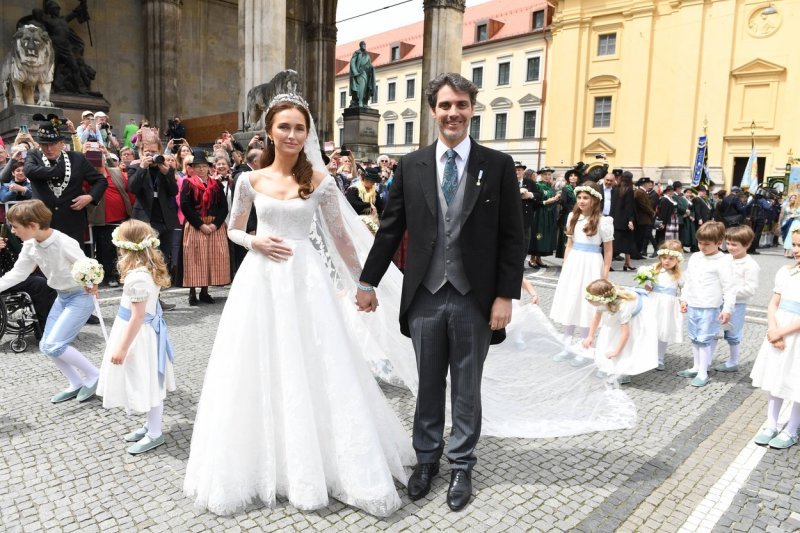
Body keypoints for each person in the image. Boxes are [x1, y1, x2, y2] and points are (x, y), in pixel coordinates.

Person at [184, 93, 417, 517]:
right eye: (285, 127)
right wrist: (255, 239)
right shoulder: (248, 181)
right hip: (260, 279)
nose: (292, 134)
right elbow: (233, 230)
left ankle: (322, 460)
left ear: (307, 134)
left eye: (300, 128)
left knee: (316, 359)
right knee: (257, 361)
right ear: (270, 132)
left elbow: (342, 238)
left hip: (306, 277)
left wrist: (365, 283)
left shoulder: (322, 181)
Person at [356, 73, 524, 512]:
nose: (453, 113)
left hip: (475, 298)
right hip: (426, 295)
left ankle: (462, 464)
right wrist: (367, 280)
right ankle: (426, 459)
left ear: (472, 109)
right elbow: (391, 229)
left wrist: (505, 296)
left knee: (467, 387)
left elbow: (512, 237)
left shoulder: (498, 165)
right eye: (445, 106)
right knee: (428, 383)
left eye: (461, 105)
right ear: (433, 111)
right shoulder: (411, 166)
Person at [0, 200, 99, 403]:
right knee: (47, 345)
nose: (12, 231)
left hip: (80, 297)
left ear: (33, 225)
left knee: (55, 345)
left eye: (15, 226)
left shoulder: (63, 242)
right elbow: (18, 273)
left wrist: (94, 281)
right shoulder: (30, 245)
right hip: (61, 297)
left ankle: (95, 375)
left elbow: (87, 265)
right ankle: (76, 383)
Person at [96, 220, 175, 455]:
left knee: (146, 381)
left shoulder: (137, 277)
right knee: (149, 379)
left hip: (138, 335)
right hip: (144, 332)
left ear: (124, 247)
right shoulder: (144, 270)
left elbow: (138, 316)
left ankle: (155, 433)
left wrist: (121, 348)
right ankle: (151, 425)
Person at [549, 183, 613, 360]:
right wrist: (566, 266)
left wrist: (604, 275)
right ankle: (567, 344)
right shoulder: (573, 217)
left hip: (592, 263)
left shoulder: (603, 221)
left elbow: (608, 251)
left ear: (594, 200)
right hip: (575, 262)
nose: (582, 201)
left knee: (587, 303)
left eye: (586, 198)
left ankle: (586, 345)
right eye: (579, 198)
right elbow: (569, 244)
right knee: (571, 299)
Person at [749, 228, 800, 449]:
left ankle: (792, 428)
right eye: (796, 245)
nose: (797, 250)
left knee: (795, 379)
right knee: (775, 375)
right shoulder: (785, 271)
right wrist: (773, 329)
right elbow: (773, 303)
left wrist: (782, 332)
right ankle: (771, 422)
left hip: (794, 334)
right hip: (777, 329)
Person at [23, 117, 108, 246]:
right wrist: (58, 172)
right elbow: (29, 171)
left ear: (62, 143)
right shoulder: (34, 155)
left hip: (72, 222)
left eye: (52, 144)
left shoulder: (77, 158)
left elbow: (100, 181)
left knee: (73, 262)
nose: (48, 149)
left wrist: (90, 197)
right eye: (44, 144)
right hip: (42, 223)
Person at [677, 221, 736, 387]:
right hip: (693, 304)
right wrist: (684, 298)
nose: (702, 247)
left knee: (704, 339)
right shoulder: (695, 257)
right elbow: (688, 281)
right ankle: (696, 367)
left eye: (707, 244)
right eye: (700, 243)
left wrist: (727, 309)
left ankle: (703, 372)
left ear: (719, 243)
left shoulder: (724, 260)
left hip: (709, 306)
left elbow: (729, 288)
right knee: (694, 338)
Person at [127, 130, 179, 311]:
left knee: (161, 260)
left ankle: (157, 298)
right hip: (145, 220)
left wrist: (166, 173)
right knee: (144, 261)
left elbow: (173, 192)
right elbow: (132, 188)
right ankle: (144, 298)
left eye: (154, 152)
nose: (151, 155)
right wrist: (142, 166)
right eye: (147, 152)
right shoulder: (135, 167)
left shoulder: (166, 168)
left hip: (165, 220)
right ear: (142, 151)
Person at [179, 149, 230, 306]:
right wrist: (200, 225)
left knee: (211, 258)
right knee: (194, 258)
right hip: (196, 225)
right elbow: (185, 206)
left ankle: (205, 292)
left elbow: (224, 207)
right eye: (198, 166)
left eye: (204, 166)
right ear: (192, 169)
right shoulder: (188, 184)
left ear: (209, 167)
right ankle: (192, 293)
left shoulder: (216, 185)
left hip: (214, 225)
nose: (201, 169)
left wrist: (215, 224)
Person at [583, 279, 658, 384]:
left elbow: (625, 334)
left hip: (637, 313)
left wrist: (616, 352)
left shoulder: (623, 306)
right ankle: (609, 366)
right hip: (615, 307)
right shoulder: (603, 302)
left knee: (628, 342)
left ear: (601, 300)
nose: (587, 301)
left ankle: (623, 371)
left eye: (589, 299)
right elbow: (596, 318)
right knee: (610, 333)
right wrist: (590, 336)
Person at [712, 225, 760, 372]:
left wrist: (730, 293)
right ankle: (706, 360)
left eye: (735, 244)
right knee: (713, 331)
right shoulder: (725, 259)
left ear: (746, 245)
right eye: (728, 243)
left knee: (733, 333)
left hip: (737, 305)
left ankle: (733, 361)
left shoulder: (751, 265)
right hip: (718, 302)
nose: (730, 247)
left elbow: (750, 289)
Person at [644, 240, 684, 371]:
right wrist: (646, 284)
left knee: (663, 330)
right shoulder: (654, 270)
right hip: (653, 302)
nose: (667, 261)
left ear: (677, 259)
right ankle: (647, 354)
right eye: (664, 258)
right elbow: (647, 287)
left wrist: (683, 301)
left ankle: (660, 357)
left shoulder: (678, 275)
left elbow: (684, 289)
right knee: (650, 328)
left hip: (667, 305)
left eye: (671, 259)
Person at [528, 167, 560, 268]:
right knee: (538, 235)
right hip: (539, 214)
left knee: (545, 237)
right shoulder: (537, 186)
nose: (547, 176)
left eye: (549, 174)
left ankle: (539, 258)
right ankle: (532, 259)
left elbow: (553, 201)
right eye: (545, 174)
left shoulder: (550, 187)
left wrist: (557, 198)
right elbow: (534, 202)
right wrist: (547, 201)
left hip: (549, 215)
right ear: (541, 175)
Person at [611, 171, 637, 270]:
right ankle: (627, 263)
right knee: (628, 242)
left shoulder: (615, 188)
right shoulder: (629, 190)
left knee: (614, 242)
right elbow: (628, 207)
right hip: (625, 220)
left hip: (615, 219)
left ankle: (612, 264)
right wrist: (630, 220)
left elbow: (613, 204)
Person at [349, 41, 376, 107]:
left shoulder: (367, 54)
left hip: (366, 73)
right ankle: (360, 102)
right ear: (360, 46)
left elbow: (369, 64)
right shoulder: (357, 53)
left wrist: (371, 67)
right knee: (362, 86)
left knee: (365, 89)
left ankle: (364, 102)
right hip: (359, 73)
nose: (364, 46)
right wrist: (355, 72)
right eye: (363, 45)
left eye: (365, 45)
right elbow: (352, 62)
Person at [634, 177, 655, 258]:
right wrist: (652, 212)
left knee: (642, 237)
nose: (649, 184)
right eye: (648, 183)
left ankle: (638, 253)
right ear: (644, 184)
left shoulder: (642, 192)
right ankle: (637, 253)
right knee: (640, 237)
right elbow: (644, 205)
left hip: (644, 218)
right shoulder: (639, 192)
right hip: (642, 218)